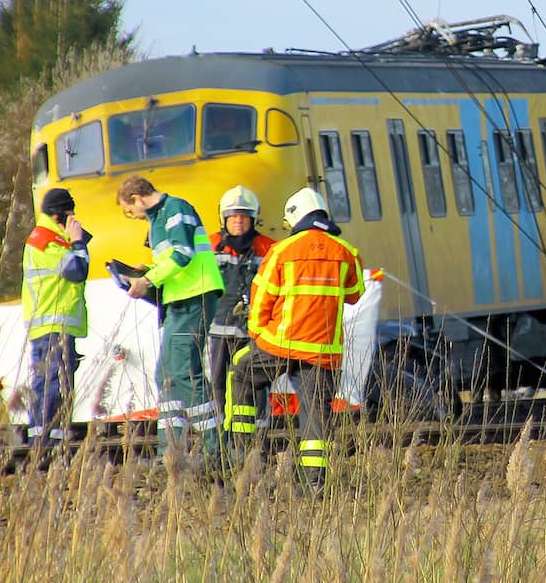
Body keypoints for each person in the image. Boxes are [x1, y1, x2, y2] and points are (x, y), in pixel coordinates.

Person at [226, 187, 363, 493]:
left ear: (295, 217)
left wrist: (258, 333)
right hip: (324, 350)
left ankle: (244, 456)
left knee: (243, 375)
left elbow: (262, 299)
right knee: (315, 412)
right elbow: (355, 295)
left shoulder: (282, 251)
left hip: (281, 343)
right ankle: (314, 484)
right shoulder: (346, 252)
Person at [116, 175, 226, 464]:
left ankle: (217, 450)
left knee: (183, 373)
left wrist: (147, 280)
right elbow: (172, 260)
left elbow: (183, 254)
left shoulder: (175, 208)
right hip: (180, 300)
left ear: (137, 198)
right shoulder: (159, 218)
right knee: (165, 375)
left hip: (195, 297)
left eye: (130, 210)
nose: (134, 216)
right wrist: (145, 269)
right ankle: (171, 453)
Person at [21, 188, 91, 450]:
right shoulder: (46, 241)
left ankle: (50, 442)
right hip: (52, 326)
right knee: (52, 384)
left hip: (54, 325)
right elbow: (76, 270)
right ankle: (45, 445)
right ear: (59, 213)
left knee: (55, 385)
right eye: (70, 211)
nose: (74, 216)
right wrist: (77, 241)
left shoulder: (52, 238)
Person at [207, 185, 276, 440]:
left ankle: (255, 439)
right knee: (217, 383)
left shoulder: (269, 248)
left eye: (244, 216)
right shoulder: (211, 245)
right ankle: (220, 437)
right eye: (233, 216)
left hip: (255, 331)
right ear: (224, 218)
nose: (238, 221)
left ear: (253, 218)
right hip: (219, 329)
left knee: (256, 383)